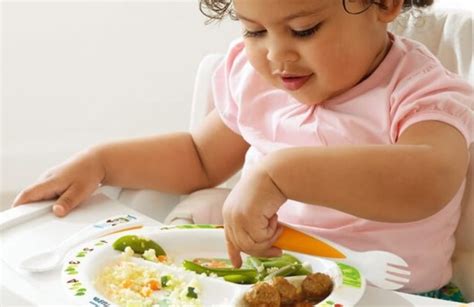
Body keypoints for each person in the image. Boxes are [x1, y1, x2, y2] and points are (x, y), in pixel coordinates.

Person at [13, 0, 473, 300]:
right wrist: (103, 162)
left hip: (391, 292)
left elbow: (428, 180)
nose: (277, 56)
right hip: (269, 282)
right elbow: (199, 157)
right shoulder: (260, 82)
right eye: (254, 32)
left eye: (304, 29)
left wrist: (283, 172)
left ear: (385, 4)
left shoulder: (421, 93)